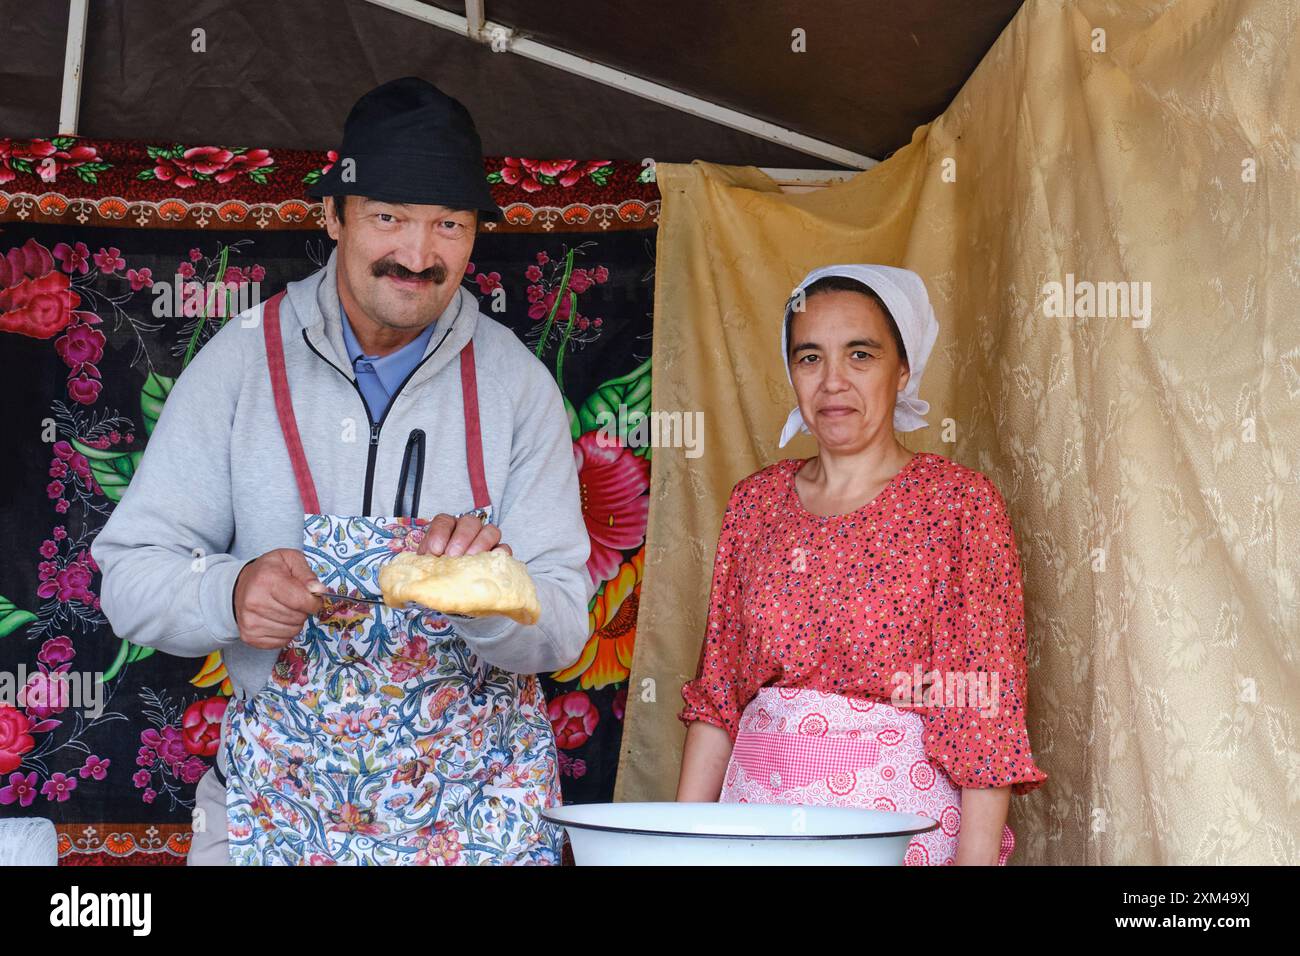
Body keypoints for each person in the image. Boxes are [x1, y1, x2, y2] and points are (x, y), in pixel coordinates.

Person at [91, 77, 593, 865]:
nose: (417, 256)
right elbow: (127, 579)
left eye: (448, 226)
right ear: (332, 216)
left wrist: (492, 596)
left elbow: (565, 621)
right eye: (389, 217)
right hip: (280, 805)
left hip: (472, 815)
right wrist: (229, 592)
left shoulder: (517, 387)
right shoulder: (241, 364)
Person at [675, 264, 1047, 865]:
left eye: (861, 355)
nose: (832, 383)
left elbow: (982, 704)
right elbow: (719, 697)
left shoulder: (956, 504)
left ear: (903, 370)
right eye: (810, 357)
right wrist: (679, 852)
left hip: (896, 837)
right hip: (753, 832)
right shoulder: (755, 503)